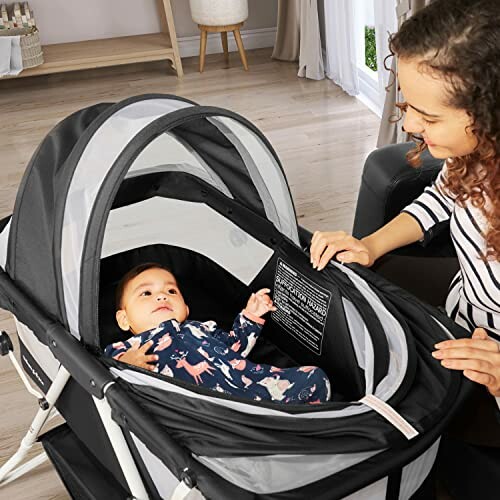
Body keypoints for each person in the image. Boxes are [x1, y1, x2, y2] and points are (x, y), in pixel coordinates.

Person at [310, 0, 499, 496]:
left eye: (428, 115)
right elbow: (439, 199)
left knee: (395, 415)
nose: (410, 125)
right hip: (465, 305)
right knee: (341, 289)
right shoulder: (476, 155)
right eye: (408, 105)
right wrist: (369, 246)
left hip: (488, 359)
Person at [105, 262, 331, 404]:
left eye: (171, 290)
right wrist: (126, 363)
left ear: (186, 309)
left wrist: (251, 315)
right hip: (208, 410)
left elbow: (236, 347)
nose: (162, 296)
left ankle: (291, 423)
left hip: (254, 389)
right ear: (123, 319)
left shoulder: (202, 328)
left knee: (316, 376)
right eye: (146, 293)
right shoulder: (129, 348)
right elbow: (108, 373)